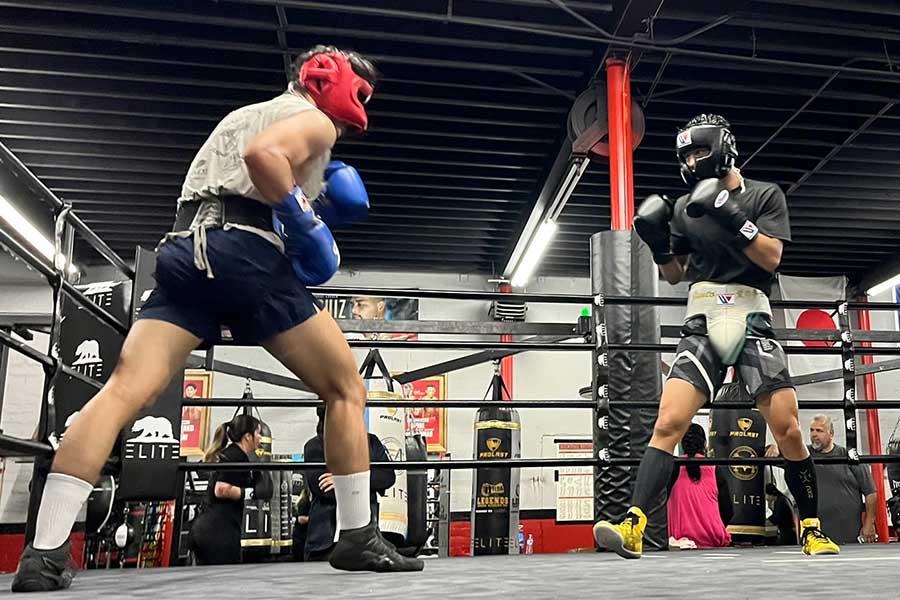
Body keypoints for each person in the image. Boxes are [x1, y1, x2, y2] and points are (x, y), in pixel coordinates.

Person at [12, 44, 423, 593]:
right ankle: (356, 536)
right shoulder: (313, 122)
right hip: (245, 254)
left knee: (122, 391)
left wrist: (300, 201)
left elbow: (231, 174)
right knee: (345, 386)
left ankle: (43, 555)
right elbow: (263, 158)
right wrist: (306, 221)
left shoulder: (236, 117)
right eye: (361, 88)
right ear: (328, 80)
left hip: (183, 252)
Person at [593, 113, 840, 559]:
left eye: (699, 150)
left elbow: (771, 259)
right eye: (685, 154)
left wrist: (733, 217)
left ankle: (811, 526)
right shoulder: (687, 208)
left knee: (786, 429)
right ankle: (633, 523)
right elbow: (674, 276)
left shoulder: (764, 194)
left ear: (723, 147)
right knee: (669, 421)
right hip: (703, 315)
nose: (691, 161)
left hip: (750, 314)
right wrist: (658, 244)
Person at [303, 407, 397, 561]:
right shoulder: (314, 446)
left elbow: (387, 477)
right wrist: (364, 479)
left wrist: (341, 479)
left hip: (367, 537)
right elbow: (324, 489)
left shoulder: (371, 442)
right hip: (325, 541)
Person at [767, 415, 877, 545]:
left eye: (819, 431)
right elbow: (775, 453)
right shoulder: (802, 456)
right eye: (812, 430)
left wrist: (869, 523)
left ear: (831, 434)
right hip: (814, 532)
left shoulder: (848, 457)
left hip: (848, 532)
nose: (814, 434)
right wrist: (773, 447)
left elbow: (870, 493)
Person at [189, 415, 272, 565]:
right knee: (224, 581)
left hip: (213, 530)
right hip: (217, 533)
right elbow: (221, 489)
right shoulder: (235, 455)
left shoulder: (235, 454)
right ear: (248, 436)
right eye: (258, 433)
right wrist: (251, 493)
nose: (260, 437)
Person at [666, 424, 731, 548]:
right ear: (705, 444)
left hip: (679, 538)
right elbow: (728, 510)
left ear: (682, 443)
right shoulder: (715, 469)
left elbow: (659, 502)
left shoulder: (673, 466)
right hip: (712, 536)